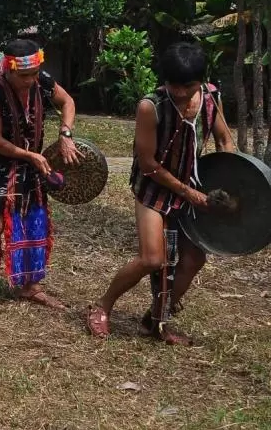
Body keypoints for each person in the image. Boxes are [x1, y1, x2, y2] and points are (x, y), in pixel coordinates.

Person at [87, 42, 233, 345]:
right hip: (153, 187)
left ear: (201, 81)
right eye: (172, 85)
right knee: (152, 258)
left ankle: (156, 318)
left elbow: (224, 140)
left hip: (193, 186)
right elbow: (149, 164)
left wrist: (230, 181)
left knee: (194, 259)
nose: (179, 92)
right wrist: (189, 194)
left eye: (188, 86)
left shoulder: (211, 98)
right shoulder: (150, 106)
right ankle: (102, 306)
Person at [0, 39, 78, 308]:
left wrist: (65, 133)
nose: (31, 80)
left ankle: (30, 285)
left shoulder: (42, 81)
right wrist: (29, 155)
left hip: (31, 164)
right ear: (9, 69)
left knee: (32, 222)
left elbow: (68, 102)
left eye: (35, 73)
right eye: (25, 75)